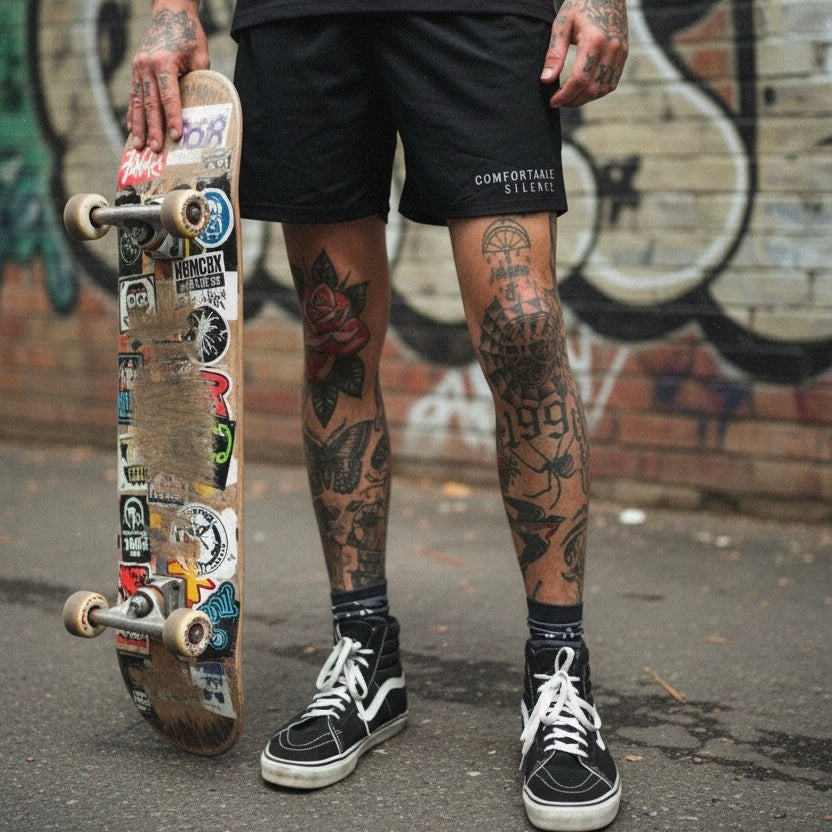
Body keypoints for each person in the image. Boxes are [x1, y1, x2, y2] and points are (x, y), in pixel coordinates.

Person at [130, 1, 628, 829]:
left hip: (479, 14)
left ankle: (558, 665)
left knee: (524, 327)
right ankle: (366, 653)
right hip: (302, 16)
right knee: (336, 337)